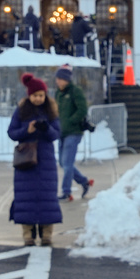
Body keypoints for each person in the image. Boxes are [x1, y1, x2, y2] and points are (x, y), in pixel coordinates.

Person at [7, 73, 62, 246]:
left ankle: (47, 234)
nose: (38, 99)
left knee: (47, 198)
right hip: (26, 160)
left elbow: (56, 134)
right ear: (29, 95)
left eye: (41, 95)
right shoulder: (21, 110)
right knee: (26, 199)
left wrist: (46, 129)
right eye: (35, 95)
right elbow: (12, 132)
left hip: (45, 160)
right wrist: (27, 131)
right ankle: (27, 235)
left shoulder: (51, 111)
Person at [53, 65, 94, 201]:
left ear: (66, 79)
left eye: (60, 79)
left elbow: (82, 109)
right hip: (62, 132)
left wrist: (71, 121)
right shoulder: (58, 93)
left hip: (74, 132)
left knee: (68, 163)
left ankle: (66, 192)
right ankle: (84, 182)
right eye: (57, 79)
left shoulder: (75, 91)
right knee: (63, 163)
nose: (57, 81)